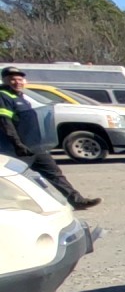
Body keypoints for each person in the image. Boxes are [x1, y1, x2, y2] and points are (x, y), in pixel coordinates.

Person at [0, 66, 101, 209]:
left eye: (19, 79)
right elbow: (5, 123)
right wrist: (17, 145)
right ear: (4, 80)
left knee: (55, 173)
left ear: (24, 81)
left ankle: (77, 201)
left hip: (34, 147)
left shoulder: (21, 97)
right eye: (12, 79)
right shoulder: (3, 96)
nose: (17, 82)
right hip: (17, 149)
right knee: (16, 180)